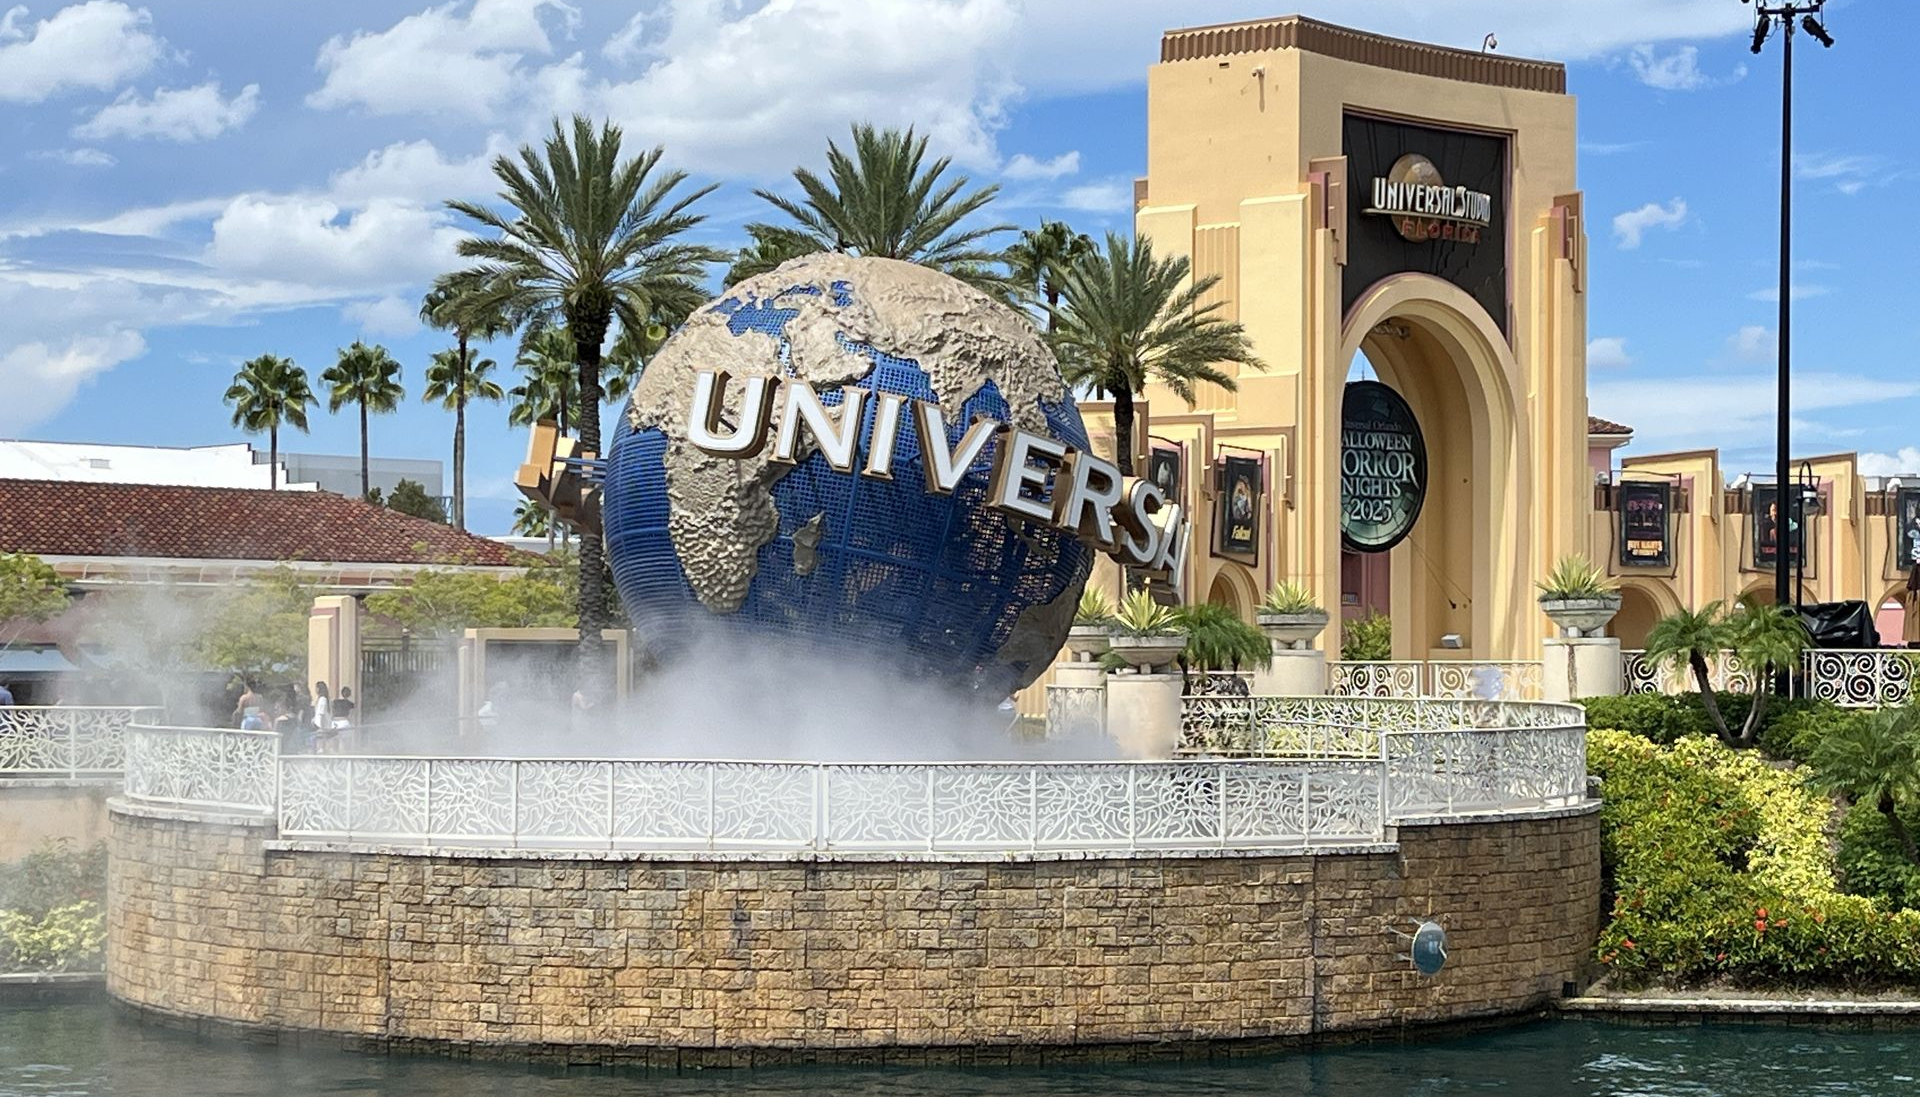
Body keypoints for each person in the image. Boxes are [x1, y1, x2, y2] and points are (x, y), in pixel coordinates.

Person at [311, 681, 333, 754]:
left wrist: (321, 727)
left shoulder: (322, 699)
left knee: (321, 741)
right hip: (320, 724)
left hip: (321, 725)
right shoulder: (322, 699)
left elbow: (321, 713)